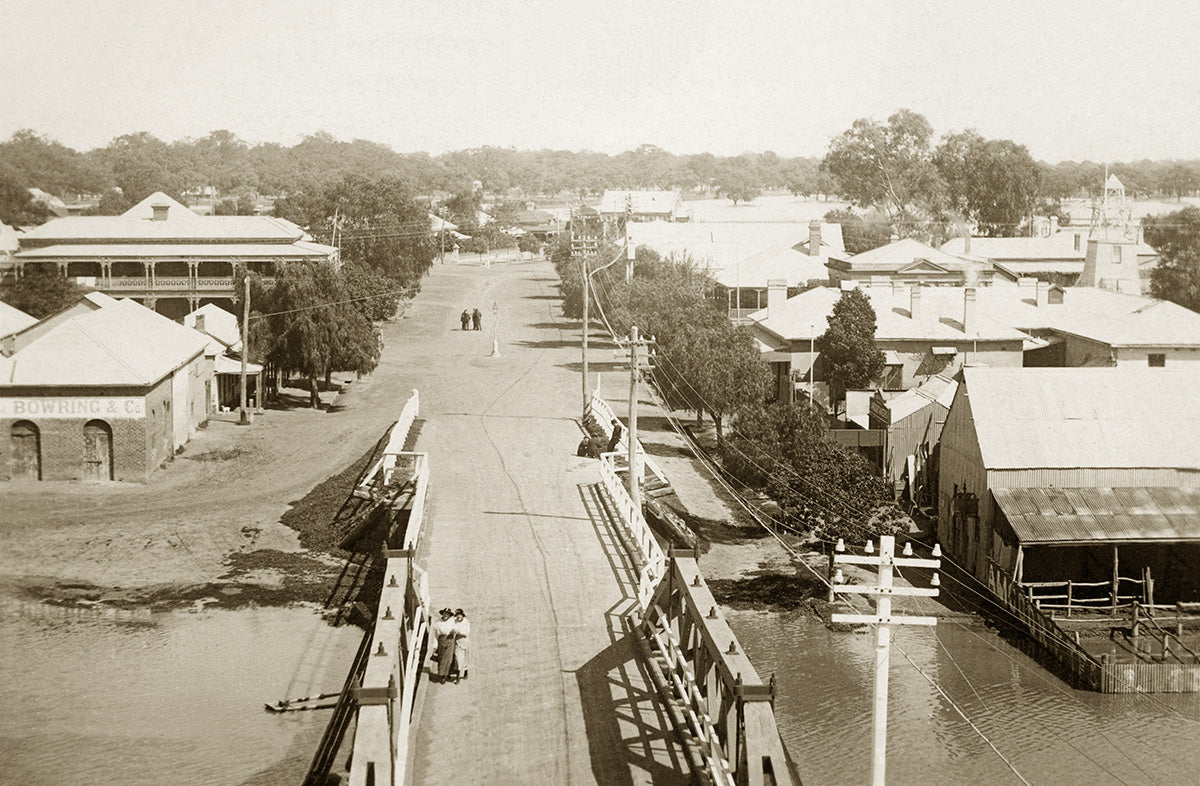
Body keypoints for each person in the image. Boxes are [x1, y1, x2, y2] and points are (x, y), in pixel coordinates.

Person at [432, 607, 457, 683]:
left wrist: (454, 632)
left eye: (447, 614)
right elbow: (435, 635)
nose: (446, 615)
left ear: (449, 615)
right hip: (441, 640)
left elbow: (456, 629)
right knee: (441, 658)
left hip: (450, 640)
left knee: (448, 658)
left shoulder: (452, 621)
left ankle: (446, 675)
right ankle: (441, 675)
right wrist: (435, 646)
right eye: (444, 614)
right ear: (442, 614)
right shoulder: (437, 622)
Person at [450, 608, 471, 683]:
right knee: (458, 658)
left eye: (460, 615)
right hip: (457, 642)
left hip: (465, 641)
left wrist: (459, 631)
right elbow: (452, 628)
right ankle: (457, 676)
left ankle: (465, 672)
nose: (459, 616)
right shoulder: (454, 622)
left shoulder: (466, 622)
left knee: (465, 658)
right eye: (457, 615)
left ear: (462, 615)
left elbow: (467, 632)